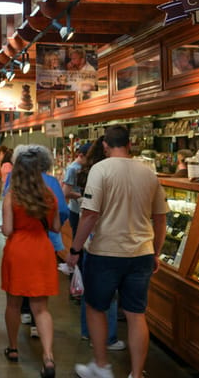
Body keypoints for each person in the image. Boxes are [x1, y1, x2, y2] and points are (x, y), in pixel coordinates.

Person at [68, 125, 169, 378]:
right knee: (136, 315)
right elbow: (160, 218)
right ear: (130, 144)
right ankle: (136, 374)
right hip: (142, 253)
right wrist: (156, 252)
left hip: (105, 252)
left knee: (96, 307)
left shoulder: (100, 170)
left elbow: (90, 214)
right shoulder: (148, 172)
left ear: (105, 146)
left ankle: (101, 366)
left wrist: (75, 248)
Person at [0, 148, 61, 378]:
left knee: (13, 304)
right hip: (42, 250)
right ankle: (48, 356)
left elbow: (7, 230)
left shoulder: (12, 197)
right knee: (41, 308)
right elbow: (55, 228)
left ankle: (13, 348)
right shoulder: (49, 196)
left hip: (18, 251)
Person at [76, 137, 125, 351]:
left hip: (90, 236)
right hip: (110, 239)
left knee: (91, 291)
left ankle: (88, 331)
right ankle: (109, 337)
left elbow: (87, 212)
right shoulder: (112, 173)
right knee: (110, 295)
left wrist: (75, 247)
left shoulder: (90, 171)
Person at [62, 143, 91, 238]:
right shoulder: (72, 169)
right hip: (76, 210)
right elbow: (65, 192)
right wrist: (82, 195)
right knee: (77, 237)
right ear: (81, 156)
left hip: (84, 209)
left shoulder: (83, 167)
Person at [0, 145, 13, 231]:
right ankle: (0, 223)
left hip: (3, 186)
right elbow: (6, 176)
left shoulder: (4, 164)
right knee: (1, 206)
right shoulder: (8, 165)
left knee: (0, 205)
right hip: (4, 186)